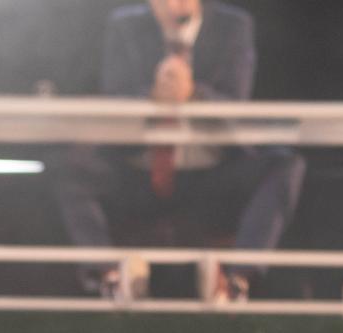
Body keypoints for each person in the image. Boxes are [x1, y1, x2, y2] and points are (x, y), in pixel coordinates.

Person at [56, 0, 305, 304]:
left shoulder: (233, 25)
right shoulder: (125, 24)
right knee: (70, 166)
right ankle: (111, 277)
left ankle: (235, 281)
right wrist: (152, 96)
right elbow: (115, 100)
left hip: (211, 179)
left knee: (285, 165)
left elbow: (236, 104)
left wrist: (194, 95)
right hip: (138, 176)